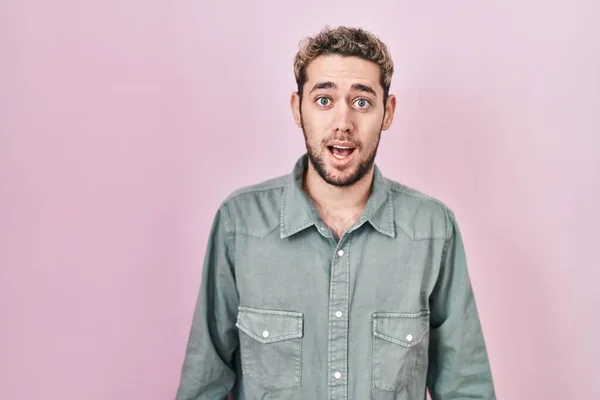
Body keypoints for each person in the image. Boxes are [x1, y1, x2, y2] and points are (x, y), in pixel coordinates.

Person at [175, 26, 496, 400]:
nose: (343, 123)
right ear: (298, 109)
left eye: (362, 102)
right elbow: (203, 387)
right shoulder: (240, 226)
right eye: (324, 100)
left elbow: (465, 388)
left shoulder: (433, 231)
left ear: (387, 112)